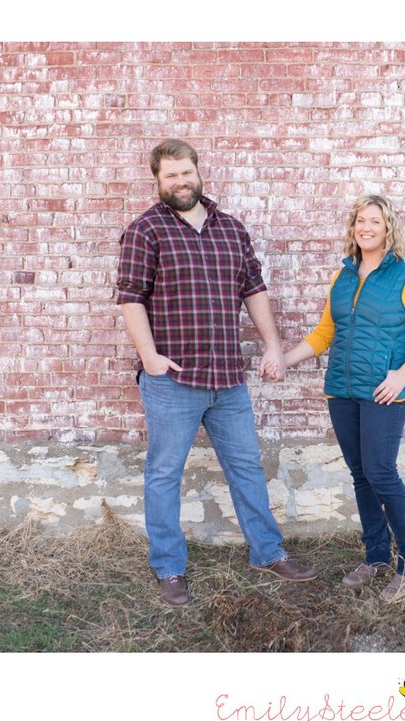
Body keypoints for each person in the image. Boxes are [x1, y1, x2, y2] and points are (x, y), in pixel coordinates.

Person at [116, 138, 316, 608]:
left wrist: (272, 346)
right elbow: (129, 299)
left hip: (228, 378)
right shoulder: (145, 230)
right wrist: (150, 358)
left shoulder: (231, 229)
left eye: (185, 172)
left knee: (246, 466)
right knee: (164, 474)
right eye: (170, 175)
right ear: (158, 180)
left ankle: (267, 552)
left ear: (198, 172)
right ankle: (169, 568)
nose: (180, 181)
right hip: (173, 381)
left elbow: (254, 290)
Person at [280, 194, 405, 602]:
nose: (366, 227)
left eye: (375, 221)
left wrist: (401, 375)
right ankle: (375, 557)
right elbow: (324, 334)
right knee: (361, 476)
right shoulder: (343, 277)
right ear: (352, 228)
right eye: (360, 221)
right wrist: (285, 360)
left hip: (383, 393)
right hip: (342, 391)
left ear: (388, 228)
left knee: (381, 473)